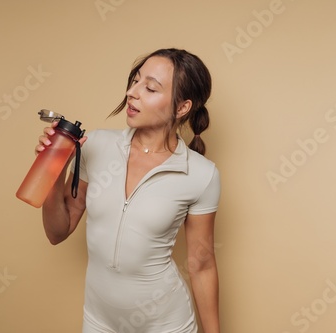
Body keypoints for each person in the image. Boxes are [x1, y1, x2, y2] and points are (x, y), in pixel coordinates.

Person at [36, 48, 221, 333]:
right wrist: (53, 170)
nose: (132, 93)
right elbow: (56, 233)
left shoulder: (201, 174)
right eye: (135, 81)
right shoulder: (95, 146)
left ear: (181, 107)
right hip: (99, 322)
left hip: (166, 324)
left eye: (150, 88)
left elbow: (202, 264)